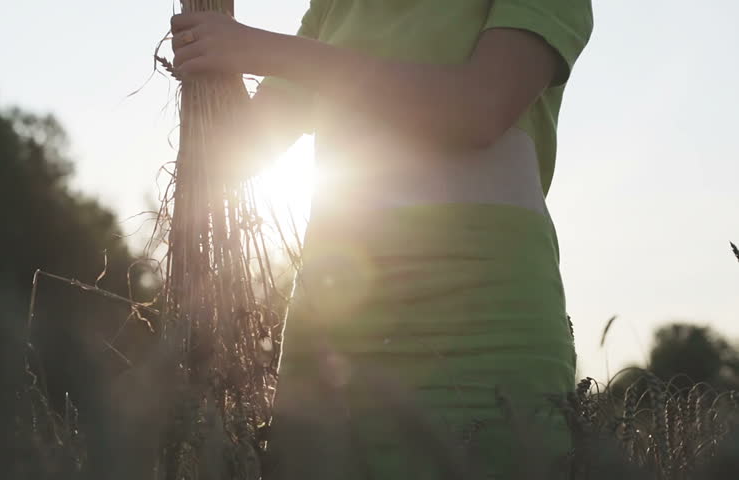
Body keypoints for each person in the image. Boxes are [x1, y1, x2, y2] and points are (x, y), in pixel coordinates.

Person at [171, 1, 593, 478]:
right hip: (332, 349)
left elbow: (479, 107)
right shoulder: (335, 8)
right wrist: (208, 51)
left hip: (483, 338)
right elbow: (237, 153)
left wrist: (261, 48)